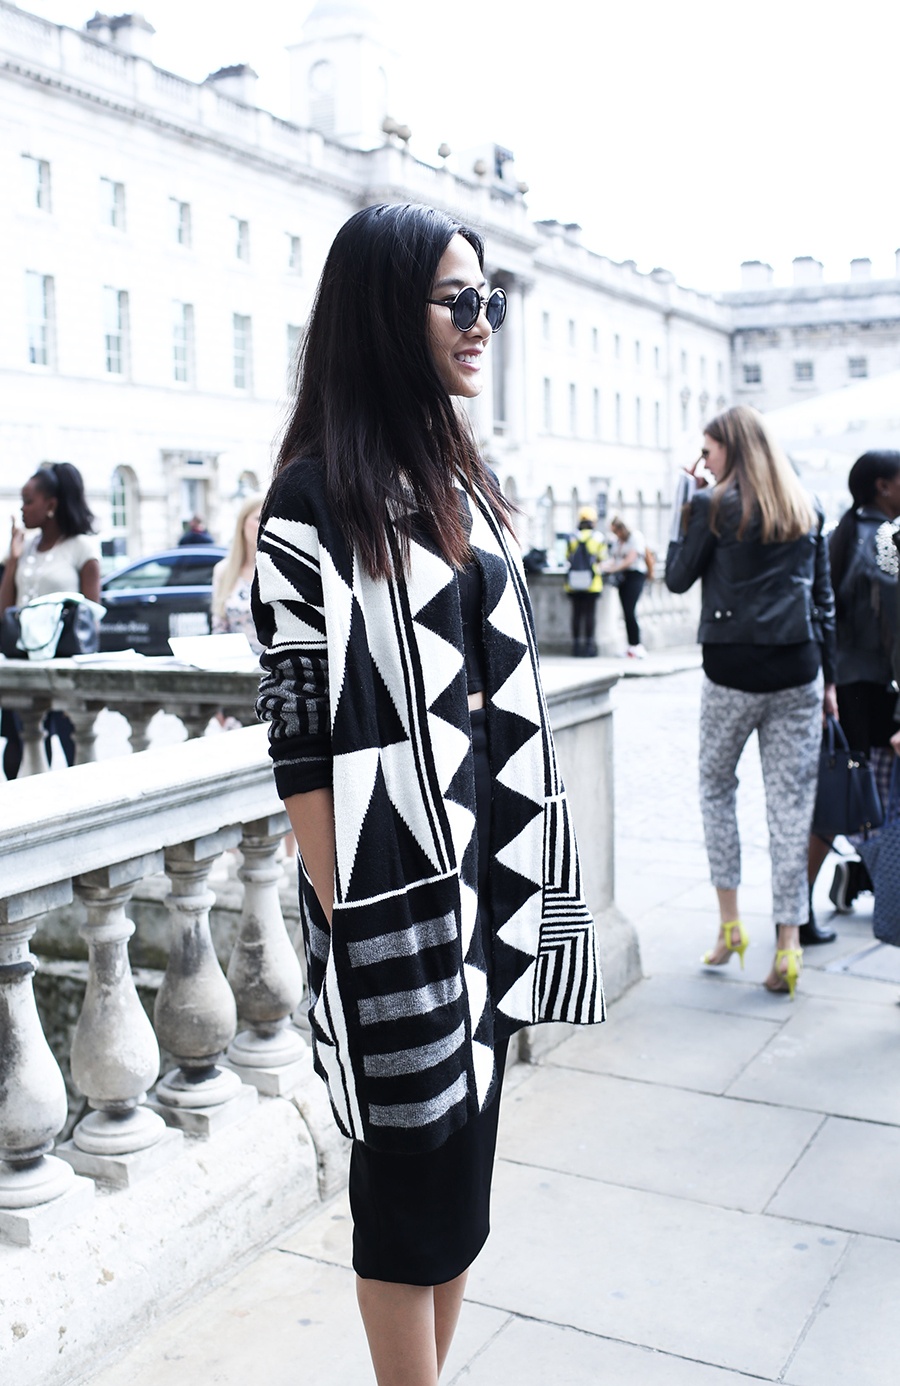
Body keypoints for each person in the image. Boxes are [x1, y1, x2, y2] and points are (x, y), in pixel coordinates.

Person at [252, 203, 603, 1386]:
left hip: (491, 886)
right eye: (459, 301)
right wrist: (351, 916)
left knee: (460, 1203)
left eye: (488, 300)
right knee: (406, 1212)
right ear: (382, 314)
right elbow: (299, 736)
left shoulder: (461, 480)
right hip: (395, 908)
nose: (482, 322)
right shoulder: (311, 501)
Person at [665, 405, 837, 998]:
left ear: (731, 448)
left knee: (717, 788)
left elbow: (676, 578)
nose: (704, 460)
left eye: (709, 450)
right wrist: (831, 683)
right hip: (799, 668)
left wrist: (684, 502)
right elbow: (824, 600)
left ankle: (730, 926)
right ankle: (788, 944)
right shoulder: (807, 504)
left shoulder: (712, 505)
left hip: (732, 670)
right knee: (791, 805)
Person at [806, 451, 900, 925]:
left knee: (848, 791)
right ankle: (867, 881)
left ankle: (815, 900)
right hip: (876, 686)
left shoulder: (843, 533)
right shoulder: (884, 539)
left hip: (845, 682)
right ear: (882, 486)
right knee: (866, 795)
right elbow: (895, 623)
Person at [0, 462, 101, 778]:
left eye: (28, 501)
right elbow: (5, 609)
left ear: (51, 505)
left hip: (65, 667)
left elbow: (92, 616)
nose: (22, 508)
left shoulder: (81, 548)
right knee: (19, 742)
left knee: (73, 745)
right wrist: (12, 560)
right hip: (23, 663)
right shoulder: (25, 547)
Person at [211, 493, 264, 655]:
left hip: (272, 664)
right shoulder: (224, 571)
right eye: (258, 518)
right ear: (242, 523)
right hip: (235, 663)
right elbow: (219, 627)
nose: (264, 525)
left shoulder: (280, 571)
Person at [602, 515, 648, 657]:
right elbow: (615, 558)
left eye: (616, 531)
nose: (615, 534)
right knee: (626, 612)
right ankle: (631, 646)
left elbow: (630, 559)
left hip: (635, 576)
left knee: (630, 610)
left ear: (622, 528)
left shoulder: (635, 537)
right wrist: (605, 566)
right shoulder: (617, 541)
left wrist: (613, 569)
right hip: (623, 578)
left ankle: (637, 645)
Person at [564, 505, 605, 655]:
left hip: (574, 582)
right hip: (592, 583)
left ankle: (575, 647)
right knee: (589, 615)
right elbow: (602, 558)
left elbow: (567, 557)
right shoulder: (598, 538)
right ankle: (589, 646)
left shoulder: (572, 537)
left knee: (576, 614)